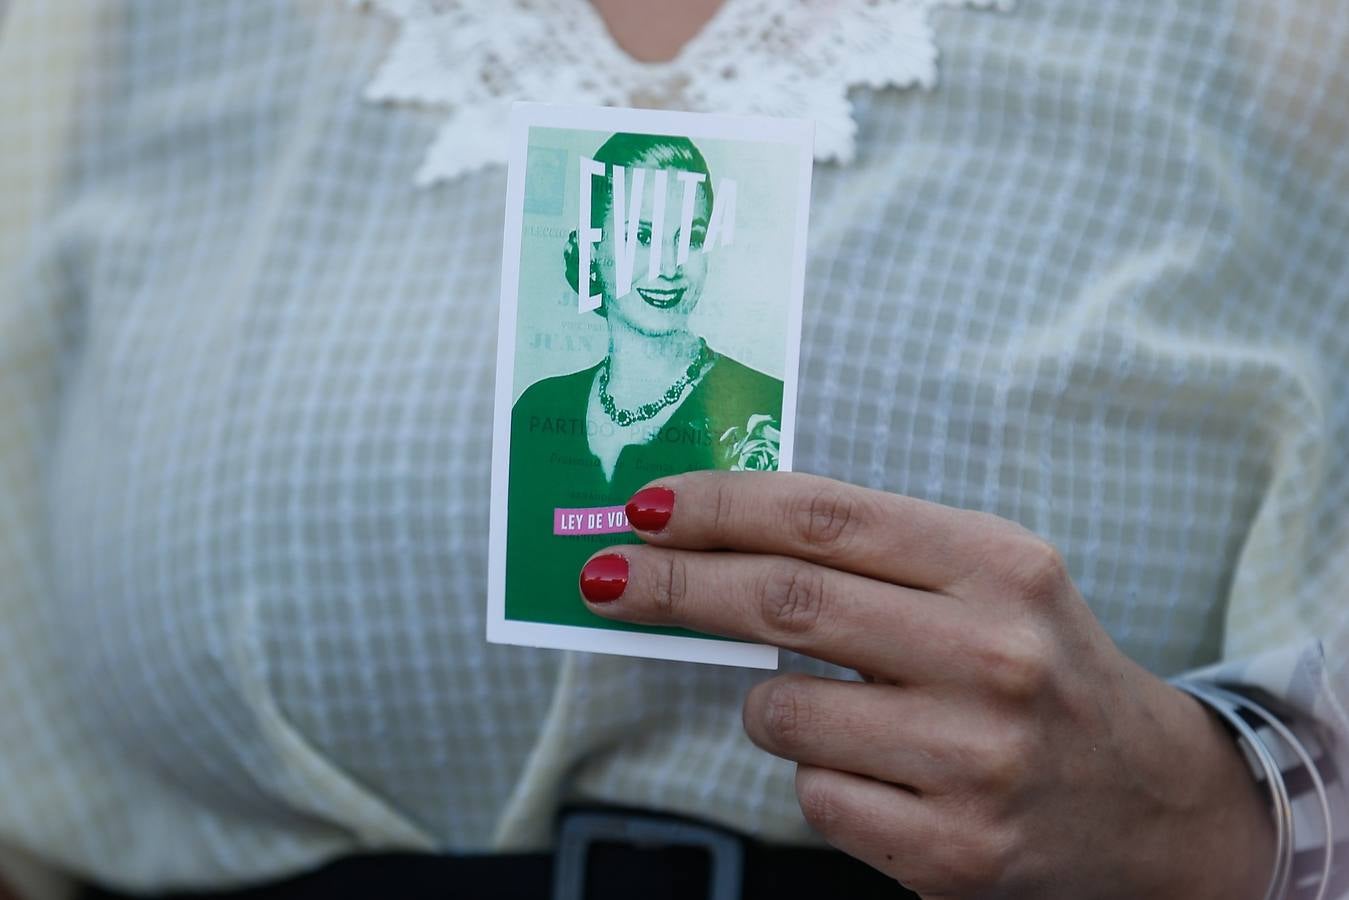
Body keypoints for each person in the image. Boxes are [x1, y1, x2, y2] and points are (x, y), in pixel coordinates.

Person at [0, 1, 1345, 899]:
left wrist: (1214, 817)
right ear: (588, 252)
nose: (656, 263)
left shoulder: (1272, 34)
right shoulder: (106, 37)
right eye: (627, 240)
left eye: (681, 237)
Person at [507, 132, 783, 630]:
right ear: (594, 246)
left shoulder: (767, 408)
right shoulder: (537, 409)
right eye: (641, 235)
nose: (670, 267)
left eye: (692, 237)